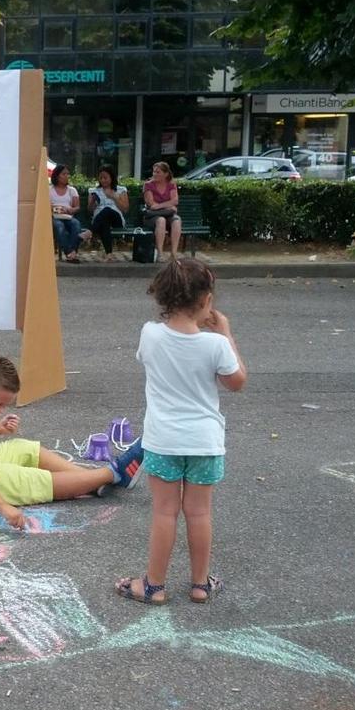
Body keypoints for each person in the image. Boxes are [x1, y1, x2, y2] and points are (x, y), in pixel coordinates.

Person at [115, 258, 247, 605]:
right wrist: (226, 334)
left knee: (164, 512)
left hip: (163, 440)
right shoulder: (215, 345)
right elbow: (237, 382)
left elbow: (150, 357)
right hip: (204, 442)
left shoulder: (151, 334)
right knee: (200, 513)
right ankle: (201, 584)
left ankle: (154, 586)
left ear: (164, 299)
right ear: (206, 301)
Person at [0, 357, 142, 530]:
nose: (0, 410)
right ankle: (113, 474)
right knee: (35, 481)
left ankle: (89, 481)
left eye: (4, 405)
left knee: (25, 448)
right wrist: (3, 506)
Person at [84, 165, 129, 261]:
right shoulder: (94, 191)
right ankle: (109, 254)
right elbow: (90, 211)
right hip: (99, 221)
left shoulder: (121, 190)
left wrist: (114, 197)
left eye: (105, 178)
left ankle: (90, 231)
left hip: (116, 220)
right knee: (104, 223)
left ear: (112, 177)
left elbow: (125, 209)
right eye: (101, 178)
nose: (103, 180)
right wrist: (92, 202)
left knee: (107, 210)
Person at [143, 162, 181, 261]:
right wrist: (169, 206)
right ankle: (160, 253)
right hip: (152, 217)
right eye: (154, 172)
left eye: (158, 172)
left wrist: (160, 206)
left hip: (167, 215)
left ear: (166, 174)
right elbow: (151, 204)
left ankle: (173, 253)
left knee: (177, 221)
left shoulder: (171, 184)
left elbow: (175, 201)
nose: (154, 174)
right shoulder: (148, 185)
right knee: (161, 220)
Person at [49, 164, 82, 263]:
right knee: (59, 226)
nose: (67, 176)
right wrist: (55, 208)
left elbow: (77, 207)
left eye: (68, 174)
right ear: (57, 176)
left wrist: (69, 210)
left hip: (68, 216)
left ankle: (70, 253)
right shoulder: (49, 190)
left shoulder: (72, 190)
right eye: (64, 174)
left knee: (76, 224)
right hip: (54, 216)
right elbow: (46, 206)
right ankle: (70, 253)